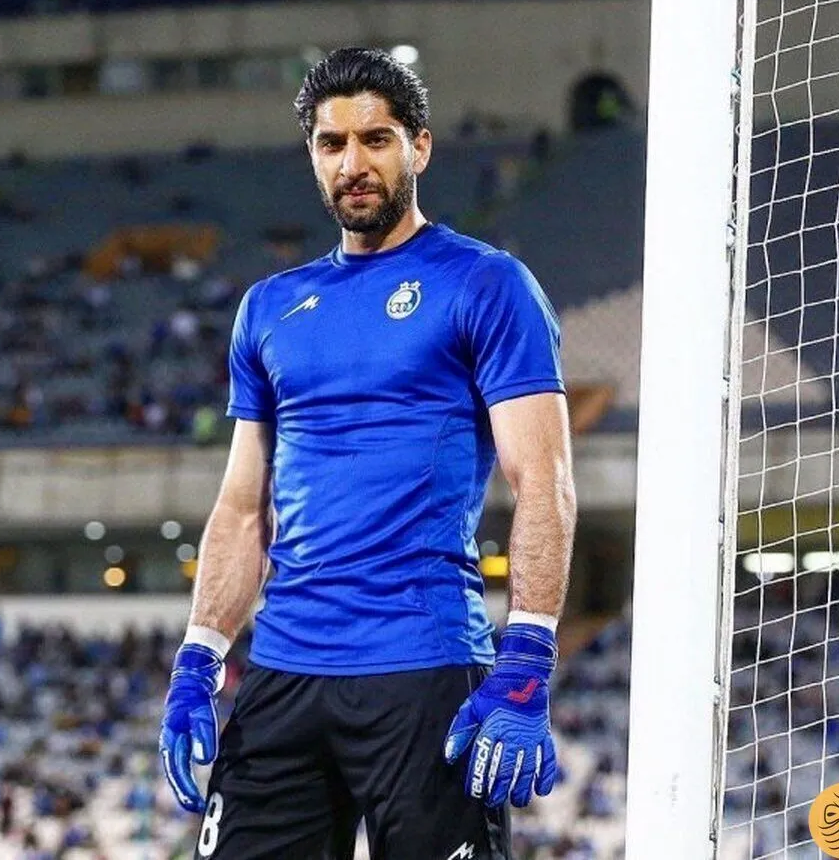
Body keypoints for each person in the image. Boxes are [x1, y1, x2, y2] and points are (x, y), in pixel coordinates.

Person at [159, 47, 576, 860]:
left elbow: (544, 480)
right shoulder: (269, 307)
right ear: (313, 156)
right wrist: (199, 656)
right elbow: (242, 506)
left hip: (423, 670)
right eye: (332, 143)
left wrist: (528, 654)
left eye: (375, 139)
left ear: (419, 147)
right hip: (284, 672)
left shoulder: (486, 284)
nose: (353, 163)